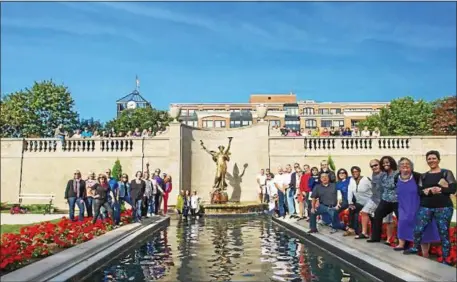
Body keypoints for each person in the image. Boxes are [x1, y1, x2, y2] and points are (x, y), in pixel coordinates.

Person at [404, 150, 457, 265]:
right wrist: (427, 191)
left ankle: (446, 258)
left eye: (434, 158)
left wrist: (441, 189)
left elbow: (453, 189)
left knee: (443, 232)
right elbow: (419, 191)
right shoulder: (424, 176)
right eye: (429, 159)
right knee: (418, 229)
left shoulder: (446, 173)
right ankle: (415, 247)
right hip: (426, 206)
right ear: (427, 161)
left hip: (443, 207)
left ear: (438, 159)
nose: (431, 160)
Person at [395, 157, 439, 253]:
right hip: (403, 206)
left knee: (423, 228)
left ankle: (425, 253)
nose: (405, 165)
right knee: (402, 223)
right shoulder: (396, 177)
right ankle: (401, 244)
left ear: (411, 167)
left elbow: (428, 186)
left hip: (418, 205)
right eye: (402, 164)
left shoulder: (418, 177)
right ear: (399, 167)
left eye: (407, 164)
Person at [368, 156, 399, 243]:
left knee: (400, 219)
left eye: (387, 162)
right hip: (385, 200)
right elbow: (378, 186)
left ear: (391, 162)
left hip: (397, 200)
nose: (385, 164)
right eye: (384, 163)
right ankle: (375, 237)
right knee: (377, 214)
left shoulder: (397, 173)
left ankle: (401, 240)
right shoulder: (383, 175)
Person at [345, 166, 372, 236]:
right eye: (353, 172)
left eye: (356, 171)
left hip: (369, 202)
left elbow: (374, 189)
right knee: (351, 208)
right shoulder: (351, 180)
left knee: (360, 214)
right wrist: (350, 202)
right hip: (360, 202)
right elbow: (350, 191)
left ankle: (362, 232)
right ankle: (351, 229)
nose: (355, 173)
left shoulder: (366, 179)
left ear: (359, 172)